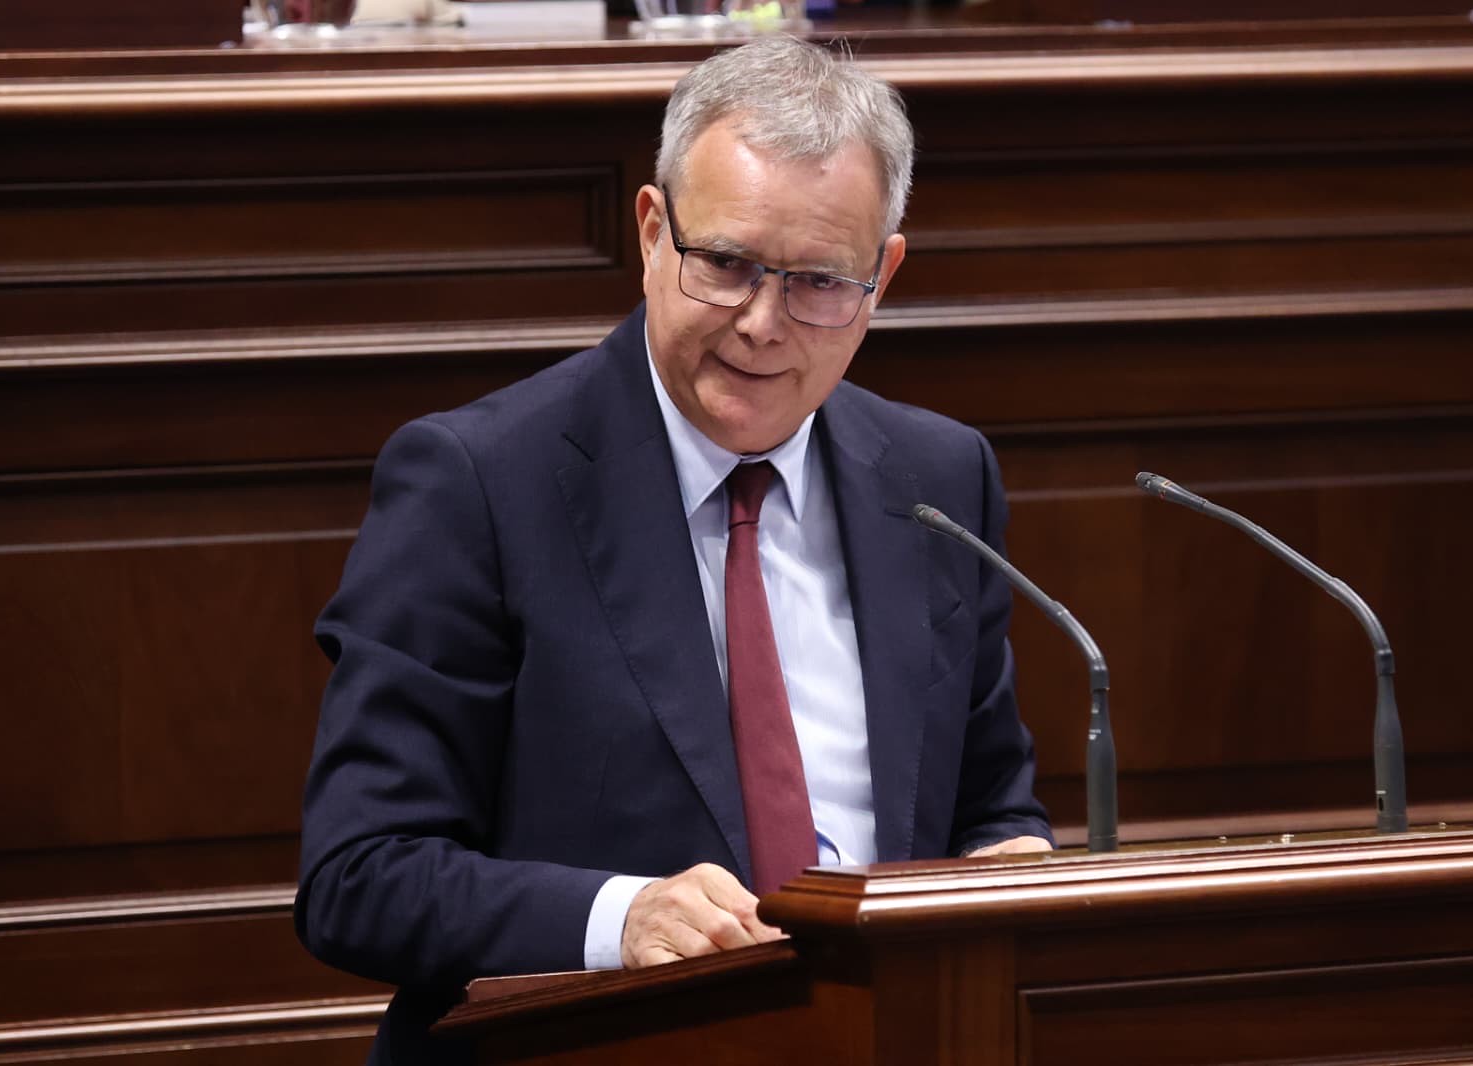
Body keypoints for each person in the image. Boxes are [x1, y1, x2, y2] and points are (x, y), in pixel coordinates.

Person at [294, 36, 1052, 1064]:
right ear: (652, 231)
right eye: (728, 265)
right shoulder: (479, 482)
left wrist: (1016, 864)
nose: (762, 325)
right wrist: (622, 919)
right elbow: (361, 875)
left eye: (821, 283)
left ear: (885, 276)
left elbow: (988, 800)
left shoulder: (937, 478)